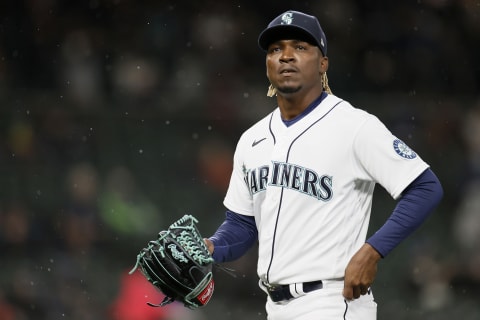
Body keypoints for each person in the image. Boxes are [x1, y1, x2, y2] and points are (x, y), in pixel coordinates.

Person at [204, 10, 443, 320]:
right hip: (273, 306)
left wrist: (372, 251)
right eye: (276, 49)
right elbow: (242, 225)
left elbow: (425, 187)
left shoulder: (354, 126)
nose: (286, 56)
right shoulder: (252, 140)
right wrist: (209, 247)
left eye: (300, 47)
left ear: (323, 63)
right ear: (267, 64)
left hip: (332, 301)